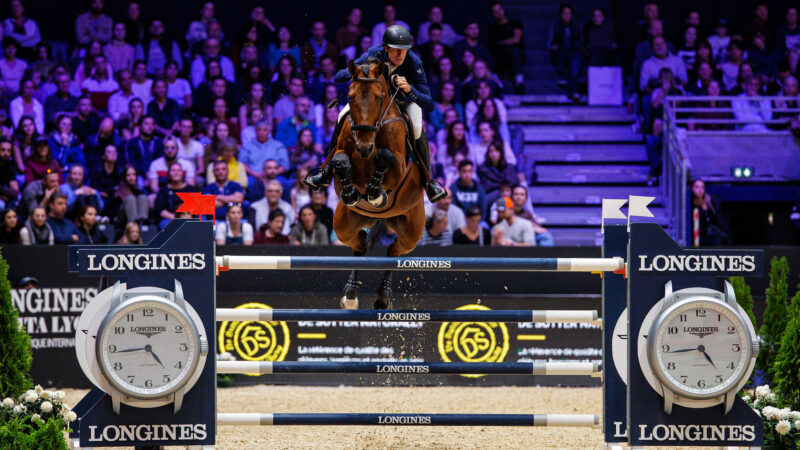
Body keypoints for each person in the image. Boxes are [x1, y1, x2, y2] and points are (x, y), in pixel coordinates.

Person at [307, 24, 446, 202]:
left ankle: (428, 180)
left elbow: (429, 103)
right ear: (386, 48)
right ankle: (325, 171)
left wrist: (410, 89)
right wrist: (358, 72)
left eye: (404, 50)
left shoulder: (414, 62)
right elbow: (339, 76)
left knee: (417, 127)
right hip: (373, 103)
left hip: (404, 102)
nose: (400, 55)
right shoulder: (374, 54)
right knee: (342, 116)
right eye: (396, 50)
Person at [489, 1, 525, 92]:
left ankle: (519, 82)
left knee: (514, 51)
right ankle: (497, 83)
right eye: (495, 12)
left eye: (500, 9)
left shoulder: (515, 23)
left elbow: (516, 39)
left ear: (503, 9)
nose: (499, 13)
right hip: (500, 55)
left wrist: (502, 42)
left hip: (516, 54)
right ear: (493, 14)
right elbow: (493, 44)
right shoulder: (493, 28)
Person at [547, 4, 581, 99]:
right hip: (559, 53)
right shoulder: (555, 25)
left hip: (574, 52)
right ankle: (561, 72)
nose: (567, 16)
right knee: (565, 45)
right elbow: (548, 44)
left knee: (574, 69)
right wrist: (554, 47)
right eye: (564, 13)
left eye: (569, 13)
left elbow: (580, 41)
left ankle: (573, 91)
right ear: (561, 15)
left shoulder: (577, 26)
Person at [154, 161, 199, 229]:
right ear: (169, 173)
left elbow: (199, 207)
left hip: (190, 217)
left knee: (203, 221)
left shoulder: (191, 189)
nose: (176, 173)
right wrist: (175, 217)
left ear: (182, 173)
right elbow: (159, 209)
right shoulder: (164, 190)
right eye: (173, 170)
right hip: (171, 218)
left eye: (179, 170)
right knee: (165, 224)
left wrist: (188, 217)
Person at [690, 178, 729, 246]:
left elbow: (718, 218)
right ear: (691, 188)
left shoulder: (710, 201)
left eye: (702, 187)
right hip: (698, 237)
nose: (700, 190)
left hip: (713, 234)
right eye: (697, 187)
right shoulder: (690, 203)